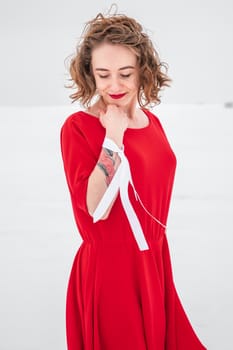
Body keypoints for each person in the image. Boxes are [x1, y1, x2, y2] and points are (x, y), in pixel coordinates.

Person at [60, 9, 207, 350]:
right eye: (103, 74)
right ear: (89, 76)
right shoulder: (78, 129)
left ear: (144, 72)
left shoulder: (153, 123)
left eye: (125, 73)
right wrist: (113, 139)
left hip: (154, 262)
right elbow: (94, 205)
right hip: (111, 271)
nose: (114, 86)